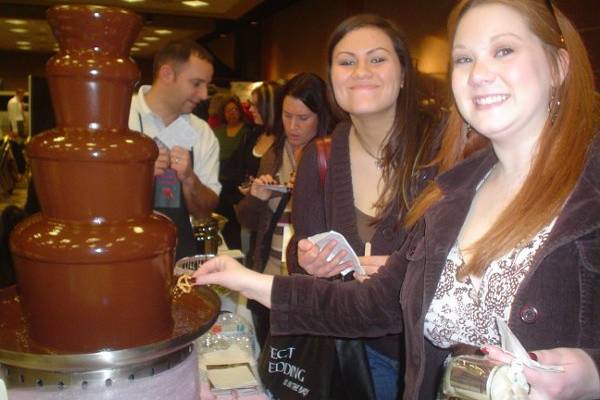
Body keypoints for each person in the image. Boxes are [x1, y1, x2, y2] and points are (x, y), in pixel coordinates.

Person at [193, 1, 600, 399]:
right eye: (464, 59)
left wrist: (592, 375)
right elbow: (373, 304)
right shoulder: (454, 196)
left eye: (504, 50)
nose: (480, 74)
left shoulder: (587, 186)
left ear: (558, 65)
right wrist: (244, 278)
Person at [284, 14, 435, 400]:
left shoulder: (443, 148)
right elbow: (298, 249)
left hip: (433, 356)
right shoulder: (320, 157)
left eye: (378, 59)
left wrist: (409, 274)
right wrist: (306, 260)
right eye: (347, 61)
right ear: (333, 78)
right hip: (355, 354)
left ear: (404, 73)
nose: (361, 71)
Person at [235, 73, 332, 346]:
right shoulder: (274, 154)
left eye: (303, 118)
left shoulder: (332, 156)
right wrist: (258, 197)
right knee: (269, 354)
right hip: (269, 273)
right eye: (287, 116)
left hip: (309, 283)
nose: (292, 126)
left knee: (300, 364)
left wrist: (308, 192)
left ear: (321, 116)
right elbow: (249, 221)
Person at [128, 39, 221, 261]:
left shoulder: (201, 132)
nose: (204, 95)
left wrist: (190, 179)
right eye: (196, 83)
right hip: (123, 252)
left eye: (206, 85)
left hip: (180, 256)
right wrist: (140, 174)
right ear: (167, 74)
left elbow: (204, 211)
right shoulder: (121, 117)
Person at [218, 82, 282, 254]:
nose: (251, 109)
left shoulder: (285, 141)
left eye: (255, 105)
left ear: (269, 107)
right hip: (247, 208)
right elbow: (236, 168)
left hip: (271, 214)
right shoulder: (253, 134)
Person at [214, 96, 252, 249]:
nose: (232, 113)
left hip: (236, 184)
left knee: (235, 224)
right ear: (223, 113)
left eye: (235, 110)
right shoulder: (217, 131)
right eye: (228, 110)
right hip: (218, 181)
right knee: (219, 220)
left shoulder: (247, 131)